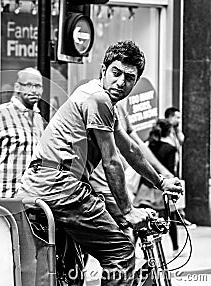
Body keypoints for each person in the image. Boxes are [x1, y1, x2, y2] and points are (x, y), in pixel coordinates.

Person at [16, 41, 182, 286]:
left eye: (129, 78)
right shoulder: (98, 99)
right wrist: (128, 211)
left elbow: (131, 150)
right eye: (116, 73)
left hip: (41, 187)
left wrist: (161, 182)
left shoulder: (99, 101)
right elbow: (112, 160)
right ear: (103, 70)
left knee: (69, 268)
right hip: (62, 187)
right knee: (122, 253)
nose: (121, 82)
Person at [90, 102, 174, 226]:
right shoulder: (97, 106)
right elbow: (111, 161)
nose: (121, 84)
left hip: (123, 181)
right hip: (104, 184)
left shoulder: (119, 110)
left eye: (130, 81)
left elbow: (134, 148)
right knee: (126, 230)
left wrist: (162, 175)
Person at [0, 67, 45, 198]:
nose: (34, 90)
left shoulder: (38, 119)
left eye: (38, 86)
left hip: (26, 200)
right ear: (17, 87)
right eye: (29, 85)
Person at [133, 119, 180, 254]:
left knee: (140, 220)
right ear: (169, 131)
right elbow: (170, 170)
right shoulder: (170, 149)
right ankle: (176, 248)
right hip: (161, 189)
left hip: (145, 189)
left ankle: (132, 248)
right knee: (170, 219)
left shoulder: (148, 145)